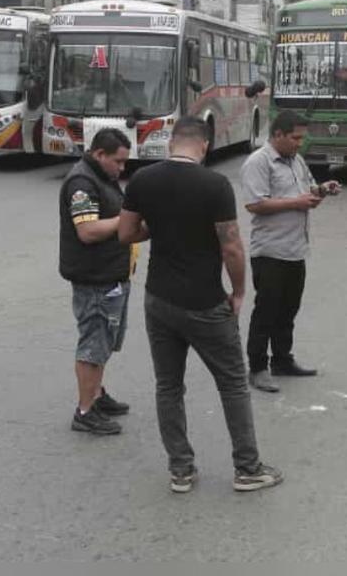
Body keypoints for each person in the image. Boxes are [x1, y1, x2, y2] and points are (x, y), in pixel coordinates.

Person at [118, 116, 283, 494]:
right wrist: (239, 291)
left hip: (158, 299)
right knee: (233, 384)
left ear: (171, 141)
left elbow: (126, 233)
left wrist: (157, 227)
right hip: (205, 302)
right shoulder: (215, 185)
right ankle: (247, 468)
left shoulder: (143, 180)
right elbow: (231, 246)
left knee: (168, 386)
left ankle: (181, 470)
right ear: (205, 145)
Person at [239, 109, 341, 393]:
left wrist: (321, 189)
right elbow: (255, 204)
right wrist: (296, 202)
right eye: (295, 138)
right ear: (278, 135)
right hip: (270, 251)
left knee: (288, 310)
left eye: (302, 138)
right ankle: (258, 367)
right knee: (266, 311)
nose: (300, 143)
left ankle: (282, 360)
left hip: (296, 249)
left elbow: (307, 189)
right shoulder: (258, 162)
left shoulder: (296, 160)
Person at [59, 128, 136, 436]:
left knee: (104, 341)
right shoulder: (82, 183)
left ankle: (97, 395)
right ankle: (85, 411)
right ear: (99, 154)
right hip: (94, 280)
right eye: (118, 161)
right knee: (93, 344)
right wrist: (129, 219)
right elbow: (87, 231)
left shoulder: (101, 177)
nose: (122, 168)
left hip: (110, 275)